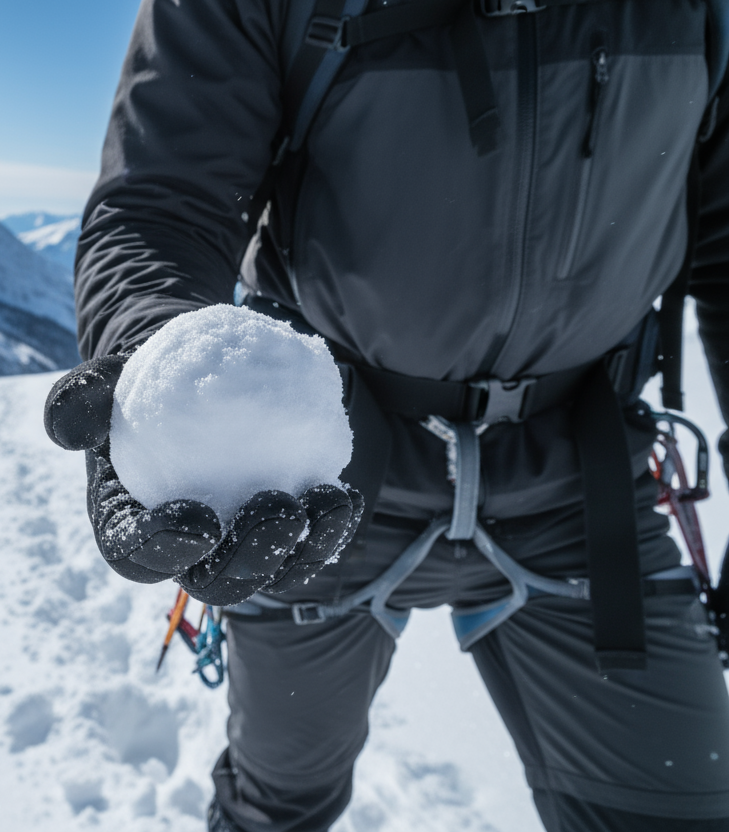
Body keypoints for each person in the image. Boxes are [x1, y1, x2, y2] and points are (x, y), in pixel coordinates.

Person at [43, 1, 729, 830]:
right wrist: (155, 363)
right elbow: (163, 205)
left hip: (583, 481)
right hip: (312, 480)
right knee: (279, 800)